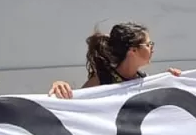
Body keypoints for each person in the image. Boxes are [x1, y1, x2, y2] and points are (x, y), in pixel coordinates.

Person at [48, 22, 182, 98]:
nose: (152, 49)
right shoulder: (103, 80)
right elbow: (74, 104)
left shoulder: (144, 80)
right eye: (148, 45)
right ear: (133, 50)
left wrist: (172, 80)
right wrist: (59, 87)